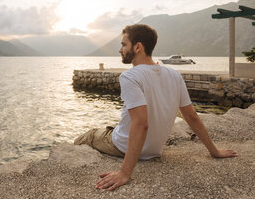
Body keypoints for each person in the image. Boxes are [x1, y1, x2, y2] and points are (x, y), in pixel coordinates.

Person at [74, 24, 238, 191]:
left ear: (138, 47)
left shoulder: (129, 76)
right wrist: (214, 151)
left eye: (124, 44)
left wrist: (125, 173)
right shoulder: (175, 75)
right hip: (155, 150)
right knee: (114, 127)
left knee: (89, 135)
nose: (120, 50)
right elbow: (192, 117)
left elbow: (141, 123)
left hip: (122, 146)